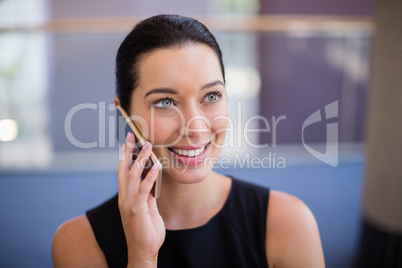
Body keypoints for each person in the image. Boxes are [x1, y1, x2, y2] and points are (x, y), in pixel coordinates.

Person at [51, 14, 325, 268]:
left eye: (212, 96)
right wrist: (141, 257)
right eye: (165, 102)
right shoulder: (78, 241)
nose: (195, 128)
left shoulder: (288, 223)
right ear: (125, 115)